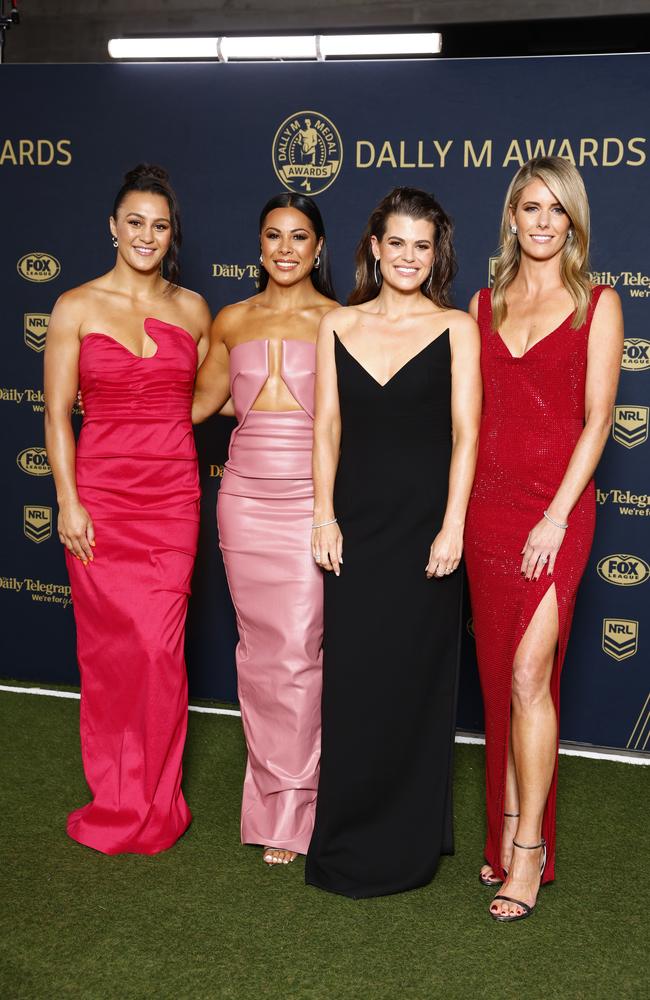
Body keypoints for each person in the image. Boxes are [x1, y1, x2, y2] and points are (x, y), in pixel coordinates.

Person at [305, 187, 481, 898]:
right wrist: (323, 513)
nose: (408, 257)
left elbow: (468, 433)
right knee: (355, 681)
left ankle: (412, 834)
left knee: (416, 682)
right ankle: (347, 831)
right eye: (396, 243)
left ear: (437, 254)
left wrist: (454, 524)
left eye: (423, 245)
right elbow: (326, 428)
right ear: (374, 247)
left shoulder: (457, 329)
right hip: (358, 526)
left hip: (425, 531)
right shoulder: (336, 325)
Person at [464, 156, 623, 921]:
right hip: (487, 510)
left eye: (556, 210)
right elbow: (466, 423)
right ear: (513, 217)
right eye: (530, 207)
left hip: (556, 511)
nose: (542, 222)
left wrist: (557, 514)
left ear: (573, 222)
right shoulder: (482, 303)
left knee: (531, 672)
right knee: (500, 679)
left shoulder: (598, 303)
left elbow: (596, 421)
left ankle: (529, 852)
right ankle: (500, 835)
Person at [44, 165, 211, 854]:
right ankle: (115, 796)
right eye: (134, 222)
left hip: (171, 499)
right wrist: (68, 502)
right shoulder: (75, 307)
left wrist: (163, 429)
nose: (146, 235)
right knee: (112, 653)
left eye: (160, 224)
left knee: (160, 650)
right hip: (101, 502)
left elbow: (208, 395)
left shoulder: (194, 309)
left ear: (173, 235)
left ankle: (156, 798)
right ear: (113, 227)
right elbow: (55, 415)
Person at [192, 193, 337, 865]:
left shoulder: (341, 321)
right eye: (274, 236)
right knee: (258, 655)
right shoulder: (231, 320)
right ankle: (272, 801)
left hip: (311, 501)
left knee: (300, 654)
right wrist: (109, 398)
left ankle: (298, 806)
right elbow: (198, 403)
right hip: (244, 499)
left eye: (299, 236)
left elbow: (362, 422)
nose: (285, 248)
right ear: (259, 247)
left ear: (317, 249)